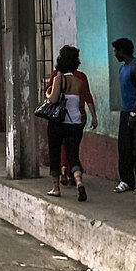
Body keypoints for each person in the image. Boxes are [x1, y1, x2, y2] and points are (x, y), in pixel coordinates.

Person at [44, 46, 97, 201]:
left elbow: (53, 99)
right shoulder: (79, 81)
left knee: (55, 153)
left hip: (59, 123)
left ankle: (55, 188)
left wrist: (48, 93)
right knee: (74, 155)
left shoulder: (58, 79)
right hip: (75, 123)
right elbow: (83, 102)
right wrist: (92, 116)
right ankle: (79, 182)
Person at [112, 38, 136, 194]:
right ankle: (126, 180)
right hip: (125, 111)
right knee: (124, 147)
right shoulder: (122, 69)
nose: (115, 54)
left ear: (122, 50)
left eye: (116, 50)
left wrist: (134, 112)